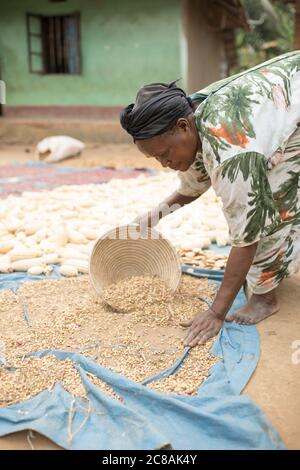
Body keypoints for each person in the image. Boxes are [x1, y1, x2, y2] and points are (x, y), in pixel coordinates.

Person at [120, 51, 300, 347]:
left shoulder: (232, 149)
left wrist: (216, 312)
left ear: (183, 127)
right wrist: (152, 218)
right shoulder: (188, 116)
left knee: (277, 196)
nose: (164, 163)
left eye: (165, 154)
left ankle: (266, 298)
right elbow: (195, 181)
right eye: (156, 158)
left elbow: (247, 231)